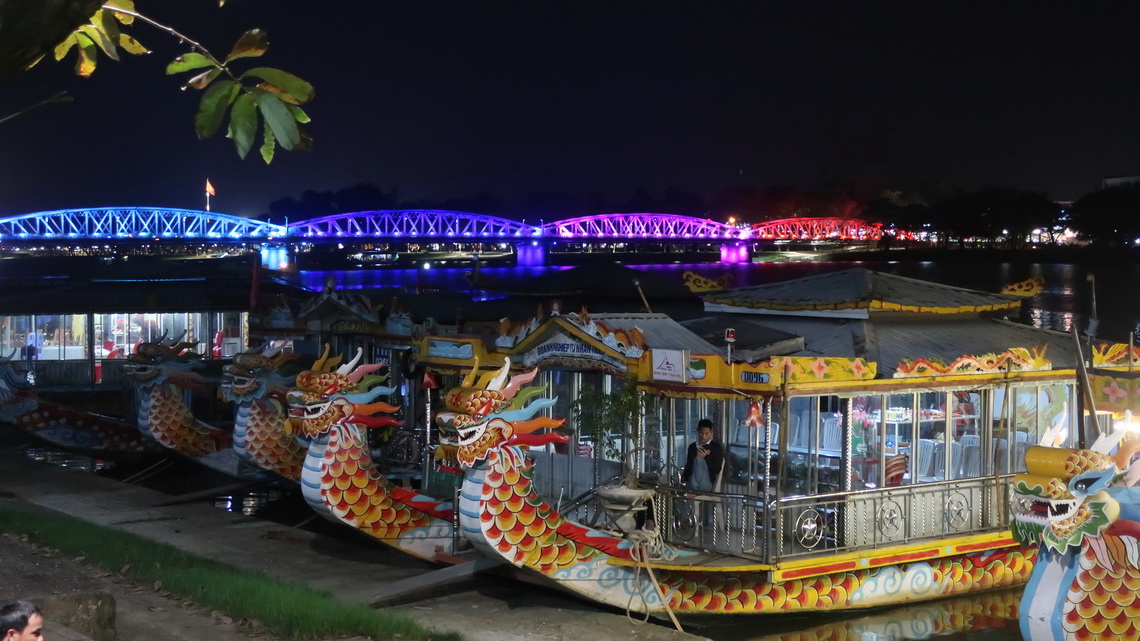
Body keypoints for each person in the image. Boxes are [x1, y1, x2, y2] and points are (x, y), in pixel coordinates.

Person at [681, 418, 725, 493]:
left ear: (711, 432)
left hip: (706, 483)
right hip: (692, 482)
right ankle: (693, 489)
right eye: (701, 433)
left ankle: (693, 490)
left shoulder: (716, 448)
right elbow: (689, 466)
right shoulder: (692, 447)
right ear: (698, 431)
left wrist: (705, 458)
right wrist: (684, 478)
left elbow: (717, 469)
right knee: (697, 460)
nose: (703, 436)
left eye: (706, 433)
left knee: (698, 459)